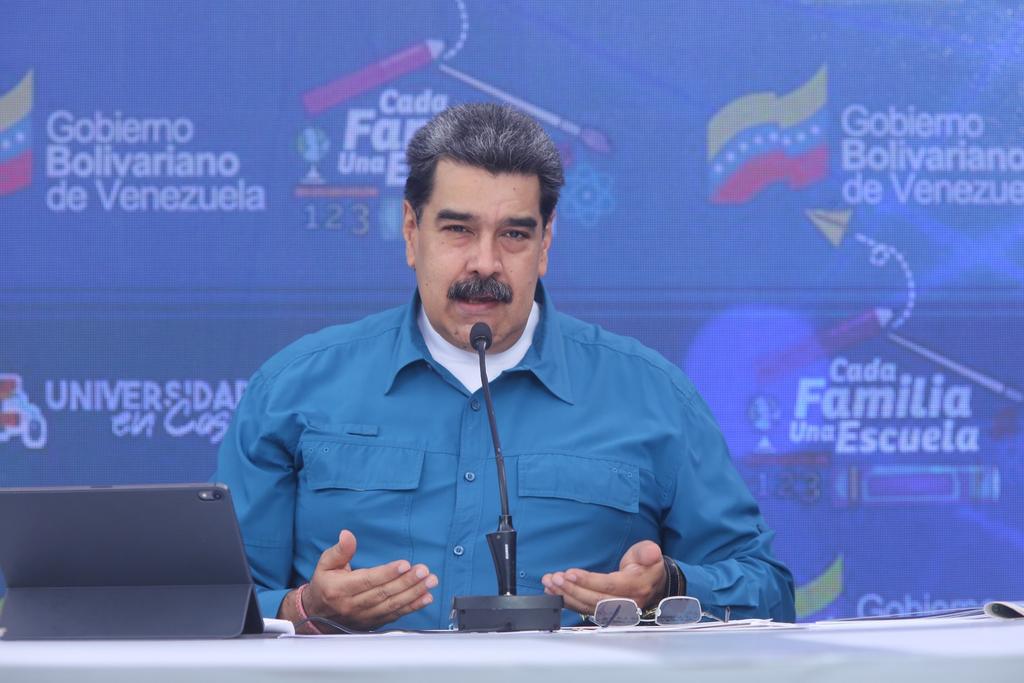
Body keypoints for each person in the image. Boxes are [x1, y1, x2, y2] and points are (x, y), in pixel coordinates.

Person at [214, 103, 795, 632]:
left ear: (546, 243)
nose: (485, 262)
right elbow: (214, 602)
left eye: (514, 234)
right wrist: (302, 610)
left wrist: (667, 586)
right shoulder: (292, 390)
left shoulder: (652, 396)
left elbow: (767, 590)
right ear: (411, 232)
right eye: (458, 229)